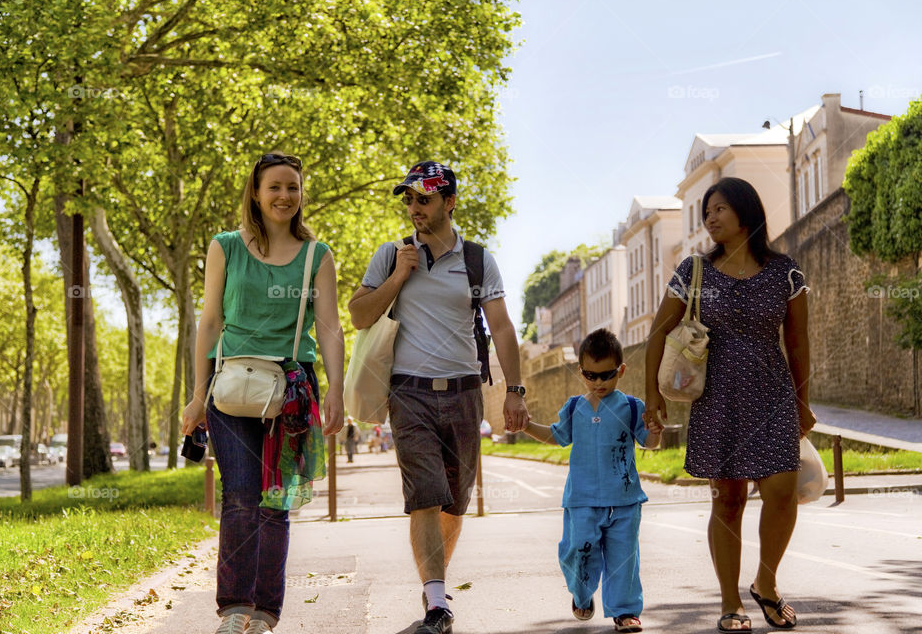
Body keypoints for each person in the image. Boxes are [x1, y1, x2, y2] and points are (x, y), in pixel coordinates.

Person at [348, 160, 530, 634]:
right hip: (408, 392)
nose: (414, 208)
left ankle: (435, 586)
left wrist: (514, 390)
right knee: (424, 496)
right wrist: (396, 279)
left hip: (466, 391)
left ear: (448, 202)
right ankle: (436, 602)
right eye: (408, 199)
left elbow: (503, 326)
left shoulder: (476, 259)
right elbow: (359, 316)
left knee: (454, 503)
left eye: (423, 199)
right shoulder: (391, 255)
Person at [182, 152, 344, 634]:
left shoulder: (319, 255)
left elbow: (331, 327)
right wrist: (197, 393)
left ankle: (265, 613)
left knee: (276, 501)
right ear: (256, 192)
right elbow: (209, 321)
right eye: (274, 187)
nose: (284, 196)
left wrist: (335, 390)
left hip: (293, 389)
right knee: (240, 497)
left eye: (293, 187)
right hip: (232, 387)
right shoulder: (225, 246)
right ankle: (233, 610)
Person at [644, 177, 814, 632]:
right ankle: (729, 601)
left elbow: (798, 341)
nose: (710, 219)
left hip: (773, 395)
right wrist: (651, 396)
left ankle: (767, 583)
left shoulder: (786, 272)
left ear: (745, 212)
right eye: (706, 213)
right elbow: (659, 332)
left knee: (781, 492)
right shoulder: (693, 270)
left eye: (718, 209)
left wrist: (804, 398)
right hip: (717, 397)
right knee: (729, 500)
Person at [521, 328, 661, 633]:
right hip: (581, 500)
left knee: (624, 559)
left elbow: (648, 442)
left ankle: (625, 611)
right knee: (578, 552)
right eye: (590, 375)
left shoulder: (632, 406)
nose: (598, 382)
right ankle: (581, 595)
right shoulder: (574, 408)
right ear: (581, 371)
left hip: (624, 501)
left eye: (606, 375)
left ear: (621, 370)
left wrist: (655, 431)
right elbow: (556, 436)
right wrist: (526, 426)